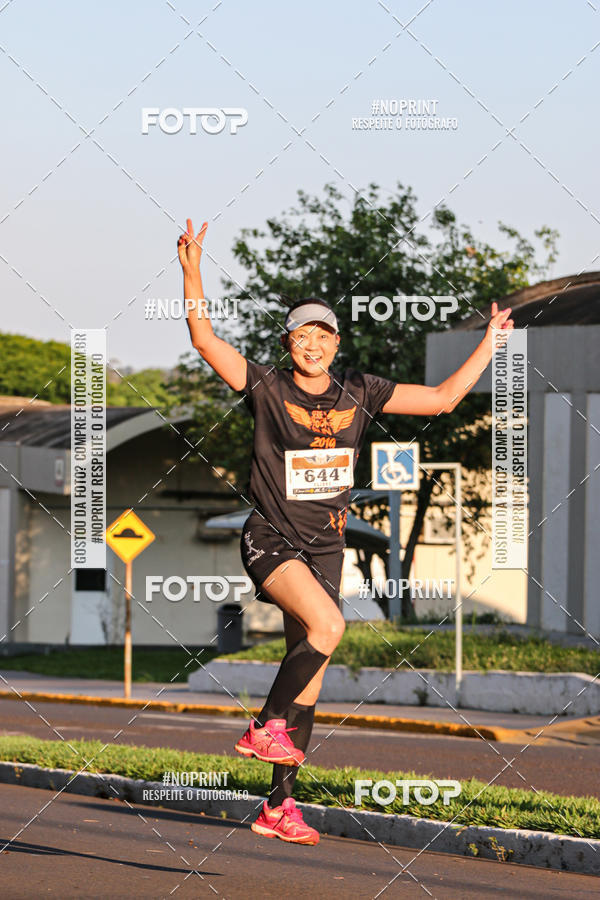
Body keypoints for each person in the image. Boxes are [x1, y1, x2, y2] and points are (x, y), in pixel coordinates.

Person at [178, 217, 514, 846]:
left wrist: (490, 344)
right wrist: (193, 271)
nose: (313, 344)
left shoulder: (361, 390)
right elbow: (204, 338)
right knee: (329, 628)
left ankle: (279, 805)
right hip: (271, 537)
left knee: (309, 675)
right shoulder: (266, 385)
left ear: (336, 343)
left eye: (323, 334)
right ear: (289, 342)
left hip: (326, 548)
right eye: (302, 334)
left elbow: (442, 398)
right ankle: (262, 725)